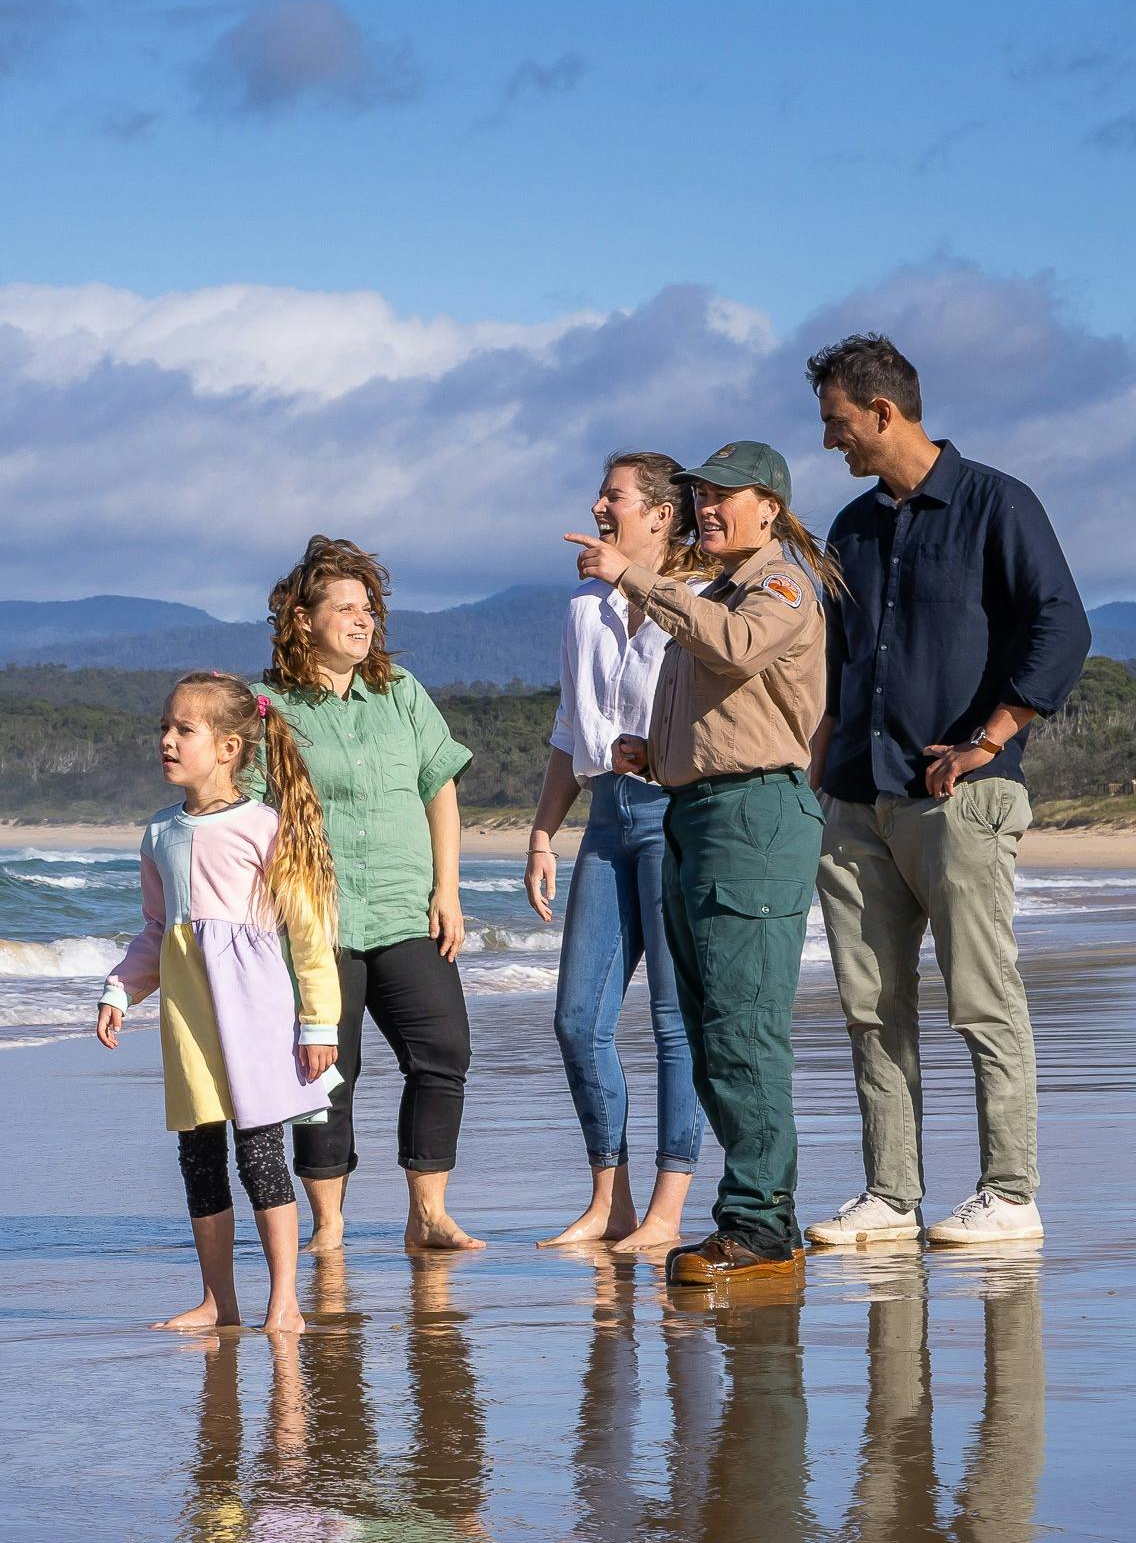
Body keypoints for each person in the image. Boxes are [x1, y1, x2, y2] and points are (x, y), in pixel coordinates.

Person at [803, 332, 1089, 1252]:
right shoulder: (849, 528)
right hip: (857, 798)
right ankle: (891, 1196)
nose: (829, 441)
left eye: (838, 423)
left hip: (961, 799)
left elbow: (1063, 626)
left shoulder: (996, 504)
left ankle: (1010, 1192)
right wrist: (822, 764)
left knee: (981, 995)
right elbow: (841, 662)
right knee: (870, 1006)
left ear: (883, 412)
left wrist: (989, 739)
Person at [569, 441, 832, 1289]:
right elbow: (726, 695)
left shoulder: (779, 583)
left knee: (743, 1027)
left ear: (771, 506)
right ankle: (763, 1217)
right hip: (697, 810)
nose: (707, 507)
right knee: (718, 1029)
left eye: (725, 495)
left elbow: (741, 647)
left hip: (752, 819)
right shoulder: (713, 591)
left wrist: (639, 580)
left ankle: (754, 1221)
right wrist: (662, 749)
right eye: (702, 495)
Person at [97, 672, 344, 1336]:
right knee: (198, 1155)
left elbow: (310, 933)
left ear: (230, 747)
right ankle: (218, 1299)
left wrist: (319, 1022)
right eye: (165, 728)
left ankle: (285, 1298)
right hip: (188, 1021)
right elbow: (157, 929)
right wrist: (122, 987)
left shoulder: (265, 827)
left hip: (257, 1018)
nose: (167, 740)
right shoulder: (159, 834)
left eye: (184, 729)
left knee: (260, 1154)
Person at [261, 537, 485, 1255]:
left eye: (370, 609)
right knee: (327, 1072)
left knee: (443, 1049)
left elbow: (439, 789)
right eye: (347, 608)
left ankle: (428, 1214)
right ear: (303, 620)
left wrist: (447, 889)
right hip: (316, 920)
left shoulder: (402, 692)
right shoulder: (268, 707)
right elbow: (243, 812)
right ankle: (328, 1225)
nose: (364, 621)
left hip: (403, 905)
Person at [526, 452, 709, 1258]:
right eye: (600, 493)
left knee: (676, 1020)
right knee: (577, 1019)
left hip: (679, 814)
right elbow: (571, 732)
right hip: (605, 815)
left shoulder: (704, 600)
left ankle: (669, 1211)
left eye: (617, 496)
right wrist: (542, 832)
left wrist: (634, 579)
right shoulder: (581, 607)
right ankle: (612, 1201)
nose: (600, 505)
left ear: (663, 515)